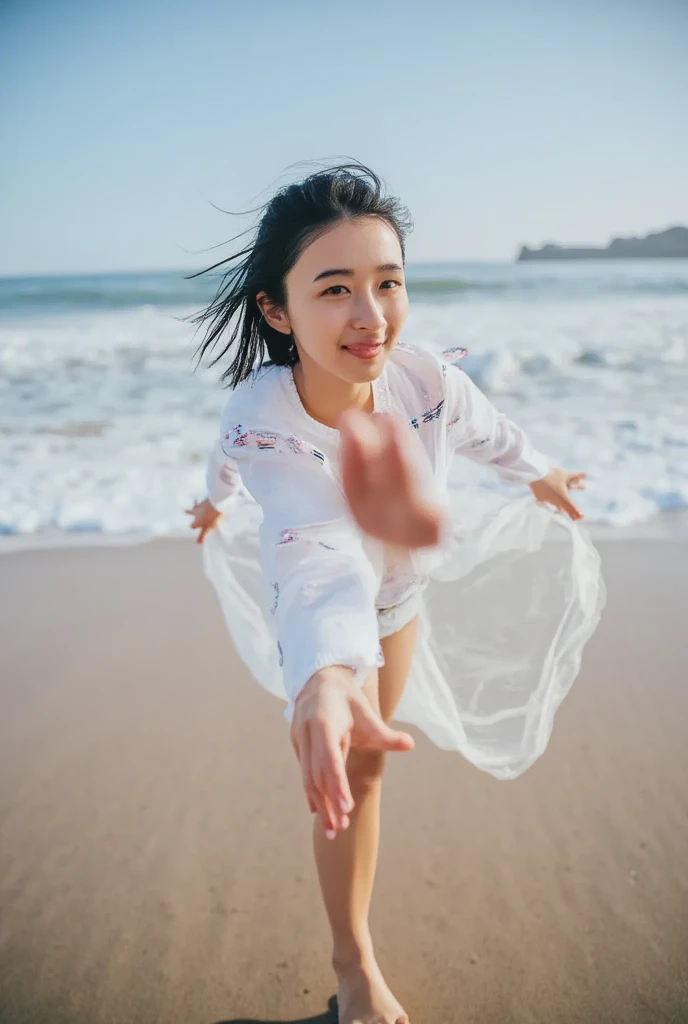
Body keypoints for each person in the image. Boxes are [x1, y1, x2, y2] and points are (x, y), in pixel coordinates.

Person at [183, 162, 599, 1024]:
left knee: (368, 765)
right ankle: (352, 965)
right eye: (334, 289)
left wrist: (541, 473)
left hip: (400, 598)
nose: (371, 317)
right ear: (276, 308)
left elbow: (487, 429)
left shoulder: (423, 380)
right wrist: (327, 675)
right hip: (325, 602)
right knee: (342, 758)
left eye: (387, 283)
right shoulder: (263, 422)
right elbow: (311, 554)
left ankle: (354, 700)